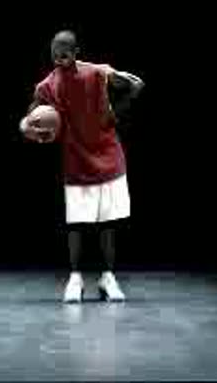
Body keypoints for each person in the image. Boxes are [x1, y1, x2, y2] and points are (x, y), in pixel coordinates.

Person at [19, 30, 144, 303]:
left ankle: (107, 278)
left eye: (64, 52)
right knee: (76, 224)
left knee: (108, 223)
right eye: (54, 52)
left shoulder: (97, 73)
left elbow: (129, 87)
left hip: (109, 155)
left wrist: (128, 94)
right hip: (76, 161)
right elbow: (30, 115)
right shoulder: (47, 85)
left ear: (76, 52)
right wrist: (28, 127)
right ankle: (75, 279)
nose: (58, 57)